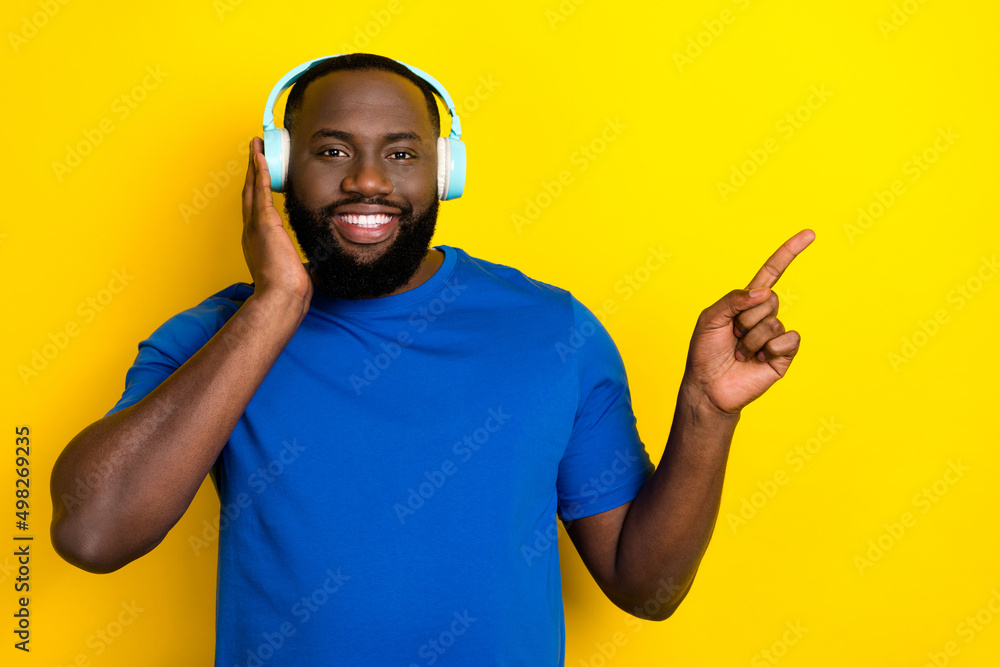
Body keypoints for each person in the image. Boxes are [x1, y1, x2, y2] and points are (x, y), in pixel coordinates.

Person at [50, 53, 815, 665]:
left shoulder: (553, 330)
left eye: (402, 152)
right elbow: (92, 534)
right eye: (331, 150)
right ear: (277, 169)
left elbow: (645, 586)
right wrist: (277, 303)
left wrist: (706, 414)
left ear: (443, 172)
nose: (369, 180)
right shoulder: (216, 336)